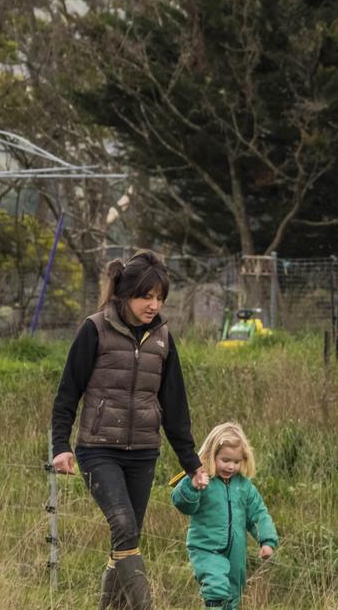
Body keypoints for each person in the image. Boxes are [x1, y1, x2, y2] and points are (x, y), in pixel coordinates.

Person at [50, 250, 210, 609]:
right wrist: (60, 445)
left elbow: (175, 405)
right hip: (97, 448)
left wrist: (191, 462)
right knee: (123, 525)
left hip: (143, 452)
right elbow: (67, 392)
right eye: (146, 296)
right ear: (124, 295)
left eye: (160, 298)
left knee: (126, 539)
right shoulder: (94, 329)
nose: (154, 305)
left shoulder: (163, 338)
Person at [171, 422, 278, 610]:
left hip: (236, 554)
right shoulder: (202, 479)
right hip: (207, 550)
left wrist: (267, 541)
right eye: (225, 460)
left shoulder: (244, 486)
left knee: (232, 597)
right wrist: (193, 486)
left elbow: (258, 514)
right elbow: (182, 503)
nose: (231, 466)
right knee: (217, 591)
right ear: (212, 455)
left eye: (236, 462)